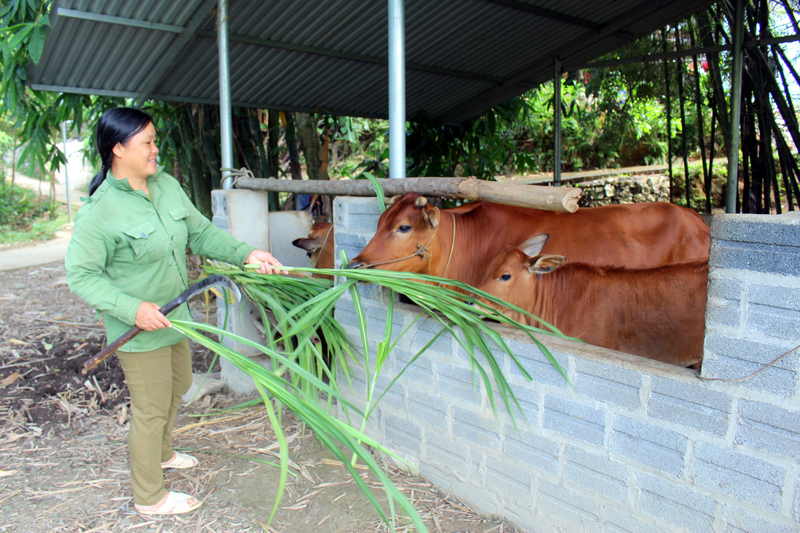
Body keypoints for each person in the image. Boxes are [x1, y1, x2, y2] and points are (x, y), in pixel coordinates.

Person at [65, 107, 283, 516]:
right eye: (146, 142)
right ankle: (149, 496)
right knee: (150, 408)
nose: (155, 149)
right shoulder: (100, 212)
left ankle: (162, 453)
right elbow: (82, 276)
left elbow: (200, 233)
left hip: (175, 318)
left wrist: (246, 254)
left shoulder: (165, 185)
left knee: (178, 385)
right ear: (117, 149)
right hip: (138, 328)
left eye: (154, 140)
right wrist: (133, 309)